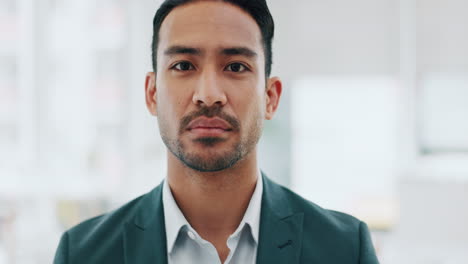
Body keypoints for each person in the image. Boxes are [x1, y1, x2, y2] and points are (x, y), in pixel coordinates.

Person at [53, 0, 380, 263]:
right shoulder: (83, 253)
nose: (208, 95)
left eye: (236, 66)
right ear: (152, 93)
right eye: (183, 65)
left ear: (270, 97)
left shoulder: (344, 249)